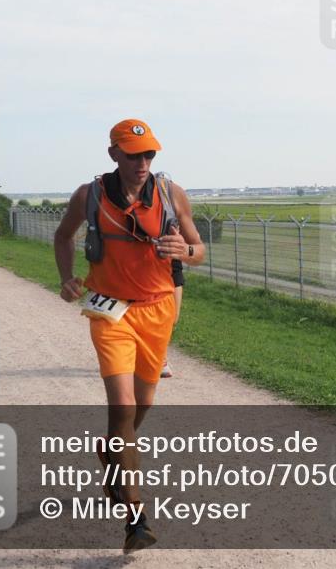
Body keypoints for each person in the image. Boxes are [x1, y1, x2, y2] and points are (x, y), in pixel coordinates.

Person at [53, 118, 204, 554]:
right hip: (110, 310)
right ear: (114, 153)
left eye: (149, 154)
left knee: (143, 406)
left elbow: (198, 251)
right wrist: (66, 278)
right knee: (121, 405)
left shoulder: (172, 195)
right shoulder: (90, 195)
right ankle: (135, 517)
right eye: (134, 154)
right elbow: (63, 237)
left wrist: (185, 252)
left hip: (157, 310)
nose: (142, 162)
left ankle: (112, 452)